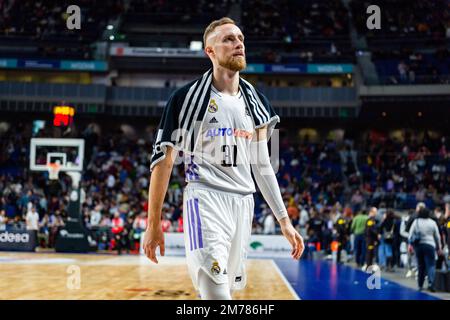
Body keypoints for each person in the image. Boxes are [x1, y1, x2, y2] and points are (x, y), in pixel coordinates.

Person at [142, 17, 304, 300]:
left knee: (224, 291)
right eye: (228, 39)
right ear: (210, 51)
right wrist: (152, 223)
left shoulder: (258, 102)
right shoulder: (186, 99)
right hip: (204, 199)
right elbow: (164, 162)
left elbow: (263, 166)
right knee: (216, 293)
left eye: (240, 38)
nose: (238, 44)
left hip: (243, 204)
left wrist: (284, 221)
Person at [408, 208, 443, 292]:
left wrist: (410, 245)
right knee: (431, 265)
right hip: (430, 245)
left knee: (421, 266)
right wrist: (439, 247)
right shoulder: (432, 222)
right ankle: (431, 284)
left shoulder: (416, 222)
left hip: (419, 246)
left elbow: (410, 234)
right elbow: (437, 236)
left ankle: (420, 285)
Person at [363, 207, 379, 271]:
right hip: (369, 239)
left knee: (371, 253)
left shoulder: (373, 220)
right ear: (371, 212)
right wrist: (377, 234)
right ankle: (368, 266)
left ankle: (369, 266)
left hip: (371, 239)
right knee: (369, 253)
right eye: (375, 212)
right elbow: (370, 229)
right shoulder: (370, 220)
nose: (376, 213)